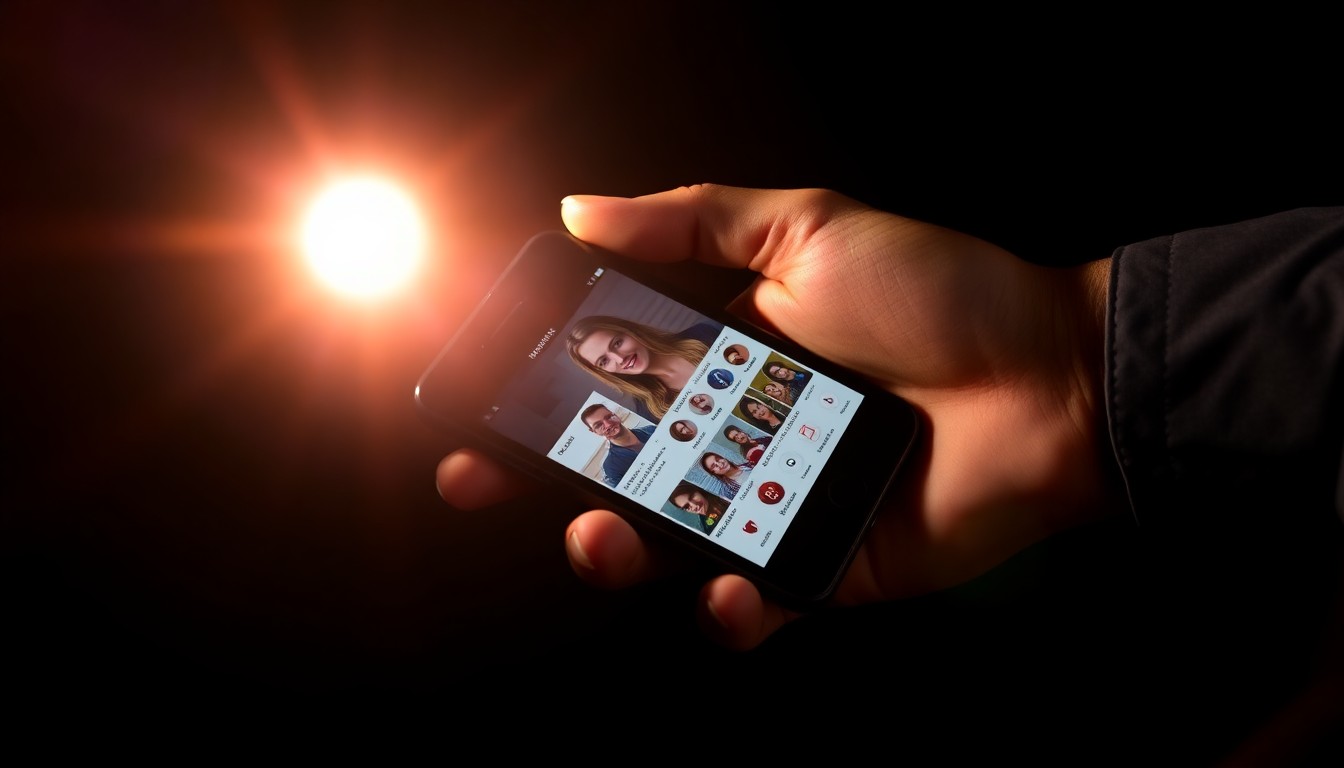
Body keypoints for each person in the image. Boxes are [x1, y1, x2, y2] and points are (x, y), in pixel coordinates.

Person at [435, 185, 1344, 753]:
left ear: (626, 333)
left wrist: (1069, 353)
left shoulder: (706, 350)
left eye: (610, 339)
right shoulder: (631, 436)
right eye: (598, 360)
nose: (615, 359)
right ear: (599, 375)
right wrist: (1077, 364)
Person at [566, 315, 720, 421]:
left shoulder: (703, 333)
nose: (620, 359)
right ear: (602, 372)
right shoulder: (650, 412)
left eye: (617, 343)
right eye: (604, 361)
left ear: (631, 331)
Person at [580, 403, 654, 488]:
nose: (608, 425)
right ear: (594, 431)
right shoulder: (611, 467)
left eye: (608, 417)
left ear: (615, 415)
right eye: (598, 425)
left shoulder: (652, 430)